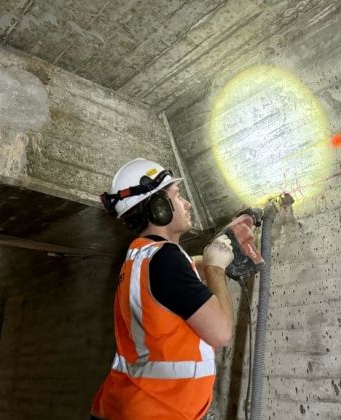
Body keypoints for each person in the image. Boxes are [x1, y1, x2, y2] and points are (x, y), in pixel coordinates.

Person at [90, 158, 235, 420]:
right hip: (157, 411)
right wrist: (216, 270)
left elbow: (183, 274)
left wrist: (217, 252)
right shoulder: (166, 260)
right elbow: (221, 333)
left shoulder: (142, 256)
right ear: (159, 208)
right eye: (178, 196)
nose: (187, 204)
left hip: (129, 406)